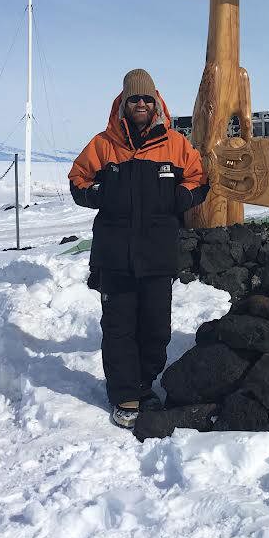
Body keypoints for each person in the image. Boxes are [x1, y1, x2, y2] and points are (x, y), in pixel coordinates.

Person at [68, 69, 209, 429]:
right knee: (119, 328)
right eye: (134, 99)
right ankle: (125, 394)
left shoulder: (175, 144)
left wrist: (179, 197)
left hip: (158, 255)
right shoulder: (103, 144)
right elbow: (78, 179)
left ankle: (144, 385)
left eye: (147, 98)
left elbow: (199, 178)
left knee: (156, 329)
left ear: (156, 102)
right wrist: (101, 194)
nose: (141, 104)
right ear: (124, 104)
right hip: (114, 256)